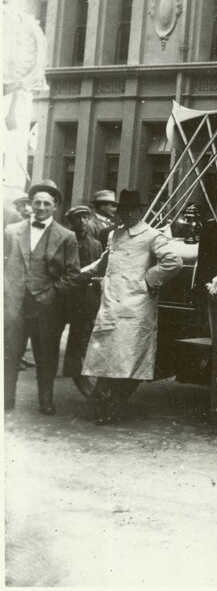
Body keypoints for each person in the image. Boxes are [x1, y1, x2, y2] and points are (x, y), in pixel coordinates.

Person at [81, 189, 182, 425]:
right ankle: (106, 404)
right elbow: (105, 262)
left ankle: (114, 406)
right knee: (108, 357)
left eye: (132, 210)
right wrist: (80, 274)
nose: (126, 214)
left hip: (135, 307)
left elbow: (173, 261)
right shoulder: (115, 235)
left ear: (140, 211)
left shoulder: (151, 235)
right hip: (111, 304)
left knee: (128, 359)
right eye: (123, 210)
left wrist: (148, 280)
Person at [3, 179, 81, 414]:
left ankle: (45, 400)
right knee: (9, 352)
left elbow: (73, 274)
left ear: (54, 206)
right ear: (30, 204)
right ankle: (6, 399)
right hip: (15, 303)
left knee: (46, 356)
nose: (41, 207)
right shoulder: (11, 231)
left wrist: (51, 294)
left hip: (47, 307)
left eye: (46, 204)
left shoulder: (66, 236)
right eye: (36, 203)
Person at [62, 205, 103, 379]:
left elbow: (100, 268)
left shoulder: (96, 244)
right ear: (71, 221)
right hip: (67, 292)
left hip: (86, 293)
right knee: (57, 329)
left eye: (85, 217)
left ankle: (73, 368)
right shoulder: (65, 241)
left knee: (82, 329)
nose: (82, 221)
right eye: (78, 218)